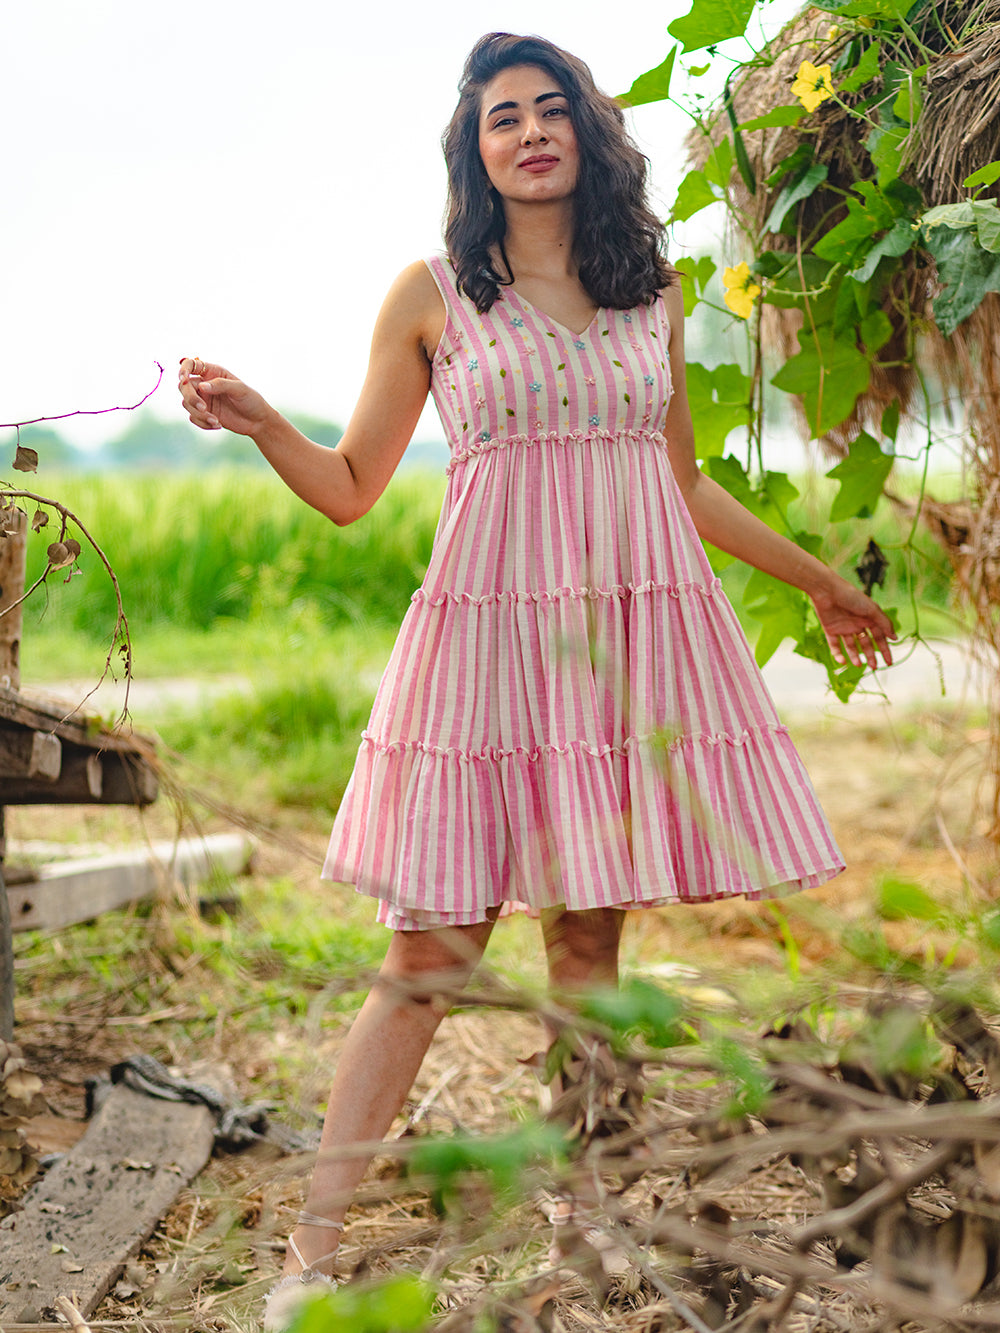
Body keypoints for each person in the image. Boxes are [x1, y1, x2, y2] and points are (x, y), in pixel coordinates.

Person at [178, 31, 894, 1328]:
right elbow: (350, 490)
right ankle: (311, 1246)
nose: (528, 131)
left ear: (587, 134)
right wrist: (260, 420)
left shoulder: (651, 293)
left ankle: (592, 1216)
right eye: (502, 117)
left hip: (617, 646)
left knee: (587, 940)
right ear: (477, 151)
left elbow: (679, 483)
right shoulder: (435, 293)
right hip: (486, 644)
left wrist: (819, 579)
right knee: (429, 952)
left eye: (549, 109)